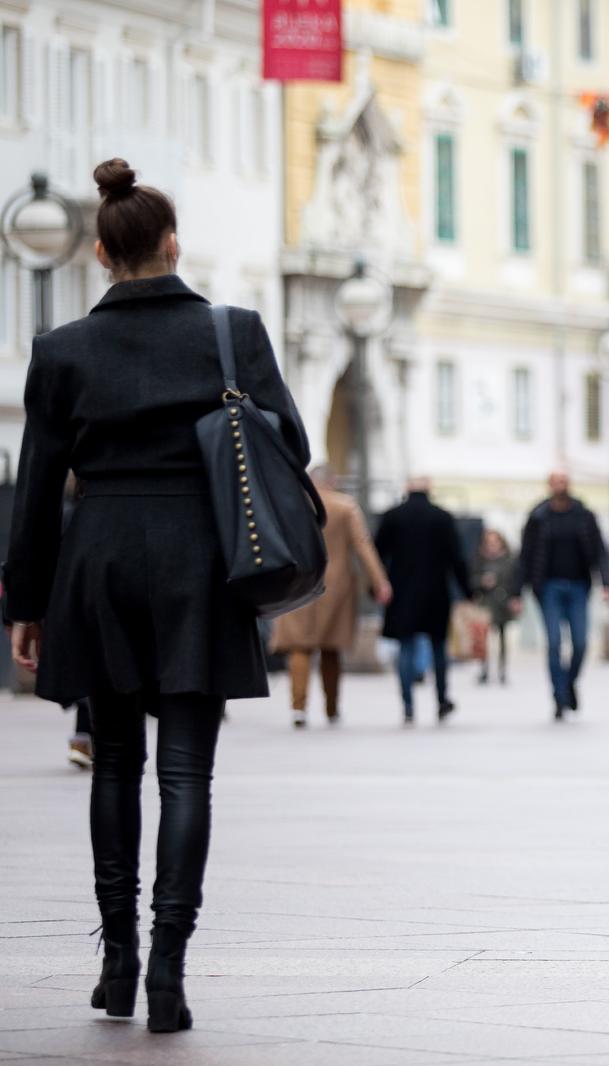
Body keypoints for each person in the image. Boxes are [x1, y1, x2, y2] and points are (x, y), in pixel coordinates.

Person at [3, 159, 311, 1032]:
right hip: (201, 564)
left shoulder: (61, 351)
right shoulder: (233, 331)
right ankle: (171, 971)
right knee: (186, 773)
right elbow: (291, 443)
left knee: (114, 766)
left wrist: (25, 603)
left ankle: (119, 959)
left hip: (98, 561)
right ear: (173, 244)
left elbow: (35, 487)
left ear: (100, 253)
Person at [269, 465, 391, 727]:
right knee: (331, 648)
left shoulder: (291, 504)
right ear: (333, 481)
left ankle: (298, 708)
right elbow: (362, 545)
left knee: (299, 646)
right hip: (335, 585)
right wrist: (379, 581)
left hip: (297, 581)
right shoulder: (345, 506)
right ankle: (332, 707)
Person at [374, 477, 471, 725]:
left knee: (405, 647)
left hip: (402, 591)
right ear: (430, 490)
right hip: (436, 592)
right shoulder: (442, 517)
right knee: (438, 648)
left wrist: (375, 587)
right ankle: (441, 700)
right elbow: (457, 558)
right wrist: (468, 591)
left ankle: (407, 705)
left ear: (407, 489)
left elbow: (377, 554)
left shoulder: (393, 516)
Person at [519, 471, 609, 720]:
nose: (561, 485)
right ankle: (559, 696)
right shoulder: (538, 517)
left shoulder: (583, 515)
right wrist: (518, 591)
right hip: (548, 588)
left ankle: (568, 683)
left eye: (564, 481)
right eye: (556, 481)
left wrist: (607, 583)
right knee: (553, 644)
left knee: (581, 643)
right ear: (549, 485)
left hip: (579, 586)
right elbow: (525, 555)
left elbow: (600, 551)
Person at [474, 529, 521, 685]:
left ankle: (502, 669)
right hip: (485, 603)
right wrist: (482, 582)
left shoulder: (509, 560)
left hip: (502, 602)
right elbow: (471, 578)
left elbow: (515, 580)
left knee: (501, 636)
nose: (492, 546)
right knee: (483, 638)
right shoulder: (479, 559)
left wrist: (514, 597)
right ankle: (484, 668)